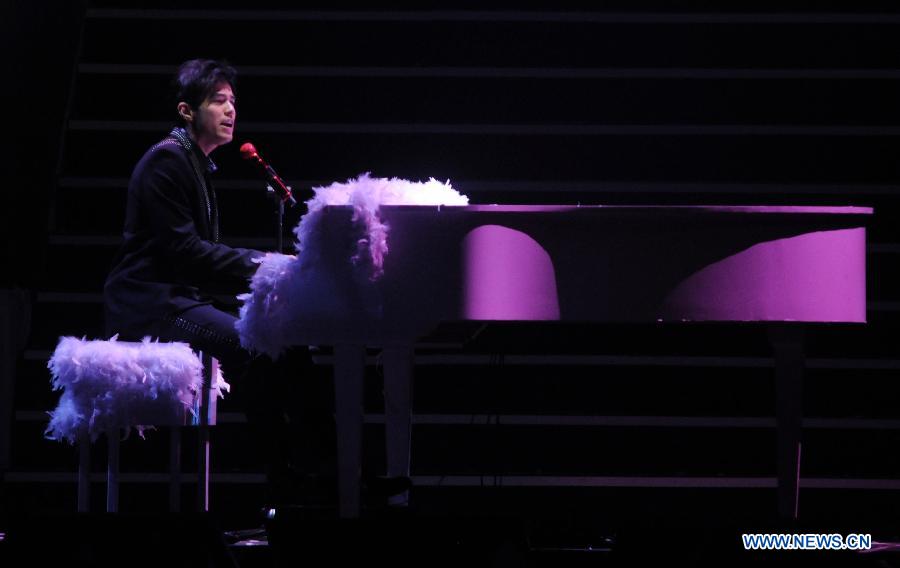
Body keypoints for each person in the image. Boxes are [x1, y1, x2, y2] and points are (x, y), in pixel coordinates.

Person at [103, 59, 408, 506]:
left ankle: (339, 475)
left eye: (233, 102)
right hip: (152, 304)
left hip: (181, 298)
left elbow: (197, 257)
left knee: (290, 340)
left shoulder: (194, 162)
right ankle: (285, 478)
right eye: (218, 101)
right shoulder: (167, 162)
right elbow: (184, 253)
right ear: (188, 111)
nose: (230, 111)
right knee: (254, 346)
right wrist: (264, 262)